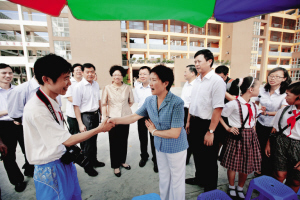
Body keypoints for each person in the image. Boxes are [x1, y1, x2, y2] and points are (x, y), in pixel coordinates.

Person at [22, 54, 114, 200]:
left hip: (63, 159)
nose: (69, 83)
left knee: (74, 195)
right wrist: (99, 128)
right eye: (65, 78)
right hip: (50, 167)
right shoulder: (37, 109)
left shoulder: (52, 98)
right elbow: (68, 140)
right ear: (46, 79)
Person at [108, 65, 188, 200]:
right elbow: (134, 117)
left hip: (176, 148)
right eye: (150, 79)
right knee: (163, 177)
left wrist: (154, 131)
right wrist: (114, 120)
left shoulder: (177, 102)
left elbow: (175, 133)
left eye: (154, 80)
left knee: (176, 180)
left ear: (165, 83)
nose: (150, 83)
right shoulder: (149, 100)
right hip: (160, 146)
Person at [185, 49, 226, 192]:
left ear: (209, 61)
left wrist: (211, 131)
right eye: (195, 61)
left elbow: (218, 108)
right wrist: (189, 121)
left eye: (199, 61)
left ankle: (210, 190)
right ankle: (199, 178)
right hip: (195, 122)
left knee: (209, 160)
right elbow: (192, 103)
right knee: (197, 154)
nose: (196, 64)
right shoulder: (197, 80)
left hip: (207, 125)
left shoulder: (217, 81)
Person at [219, 76, 261, 199]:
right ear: (251, 89)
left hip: (250, 137)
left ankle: (240, 187)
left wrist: (254, 134)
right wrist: (227, 127)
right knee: (233, 164)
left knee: (246, 164)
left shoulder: (253, 105)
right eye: (258, 87)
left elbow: (253, 121)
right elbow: (218, 113)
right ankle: (232, 186)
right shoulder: (233, 104)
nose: (260, 90)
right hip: (237, 136)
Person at [254, 67, 291, 177]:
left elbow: (282, 111)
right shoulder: (262, 90)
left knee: (269, 153)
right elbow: (255, 104)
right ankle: (260, 171)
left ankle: (267, 176)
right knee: (259, 149)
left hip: (273, 127)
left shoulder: (285, 94)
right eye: (271, 75)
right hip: (260, 123)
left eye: (277, 76)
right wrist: (257, 112)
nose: (272, 78)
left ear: (284, 79)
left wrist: (266, 113)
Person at [265, 81, 300, 193]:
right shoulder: (284, 110)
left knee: (295, 180)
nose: (285, 97)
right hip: (282, 143)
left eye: (288, 94)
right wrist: (268, 144)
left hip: (298, 147)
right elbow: (274, 129)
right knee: (279, 175)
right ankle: (275, 195)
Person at [101, 65, 134, 177]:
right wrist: (105, 117)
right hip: (112, 119)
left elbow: (131, 102)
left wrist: (124, 110)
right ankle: (115, 165)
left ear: (122, 76)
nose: (117, 76)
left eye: (119, 74)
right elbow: (104, 104)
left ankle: (122, 161)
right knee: (114, 142)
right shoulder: (107, 88)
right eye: (114, 74)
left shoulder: (128, 87)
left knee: (123, 140)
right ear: (112, 76)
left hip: (125, 118)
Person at [0, 63, 27, 192]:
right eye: (4, 73)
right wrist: (10, 111)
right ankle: (17, 180)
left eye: (10, 73)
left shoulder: (18, 90)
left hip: (21, 123)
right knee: (8, 156)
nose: (8, 75)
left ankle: (30, 168)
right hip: (4, 126)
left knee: (28, 148)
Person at [73, 63, 103, 177]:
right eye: (87, 72)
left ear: (94, 72)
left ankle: (94, 161)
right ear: (83, 73)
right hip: (86, 116)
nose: (90, 74)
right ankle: (88, 167)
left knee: (94, 141)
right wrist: (80, 123)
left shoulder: (96, 84)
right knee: (87, 144)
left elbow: (98, 100)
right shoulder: (78, 87)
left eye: (92, 72)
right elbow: (76, 106)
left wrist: (100, 114)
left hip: (95, 115)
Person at [135, 66, 158, 172]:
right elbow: (136, 102)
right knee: (142, 138)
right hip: (141, 115)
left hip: (153, 115)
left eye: (144, 73)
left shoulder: (154, 86)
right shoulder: (137, 87)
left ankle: (156, 160)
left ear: (150, 75)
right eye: (140, 74)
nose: (142, 76)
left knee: (154, 138)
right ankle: (144, 156)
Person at [180, 64, 197, 165]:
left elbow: (192, 104)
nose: (184, 73)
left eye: (186, 72)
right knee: (182, 135)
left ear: (193, 73)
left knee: (189, 136)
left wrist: (188, 121)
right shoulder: (186, 84)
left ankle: (186, 158)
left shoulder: (196, 85)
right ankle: (183, 156)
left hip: (190, 112)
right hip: (183, 110)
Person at [63, 64, 82, 136]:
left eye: (80, 70)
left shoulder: (84, 82)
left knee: (83, 135)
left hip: (82, 114)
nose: (79, 71)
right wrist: (83, 101)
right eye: (77, 70)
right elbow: (69, 98)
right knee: (74, 135)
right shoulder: (69, 82)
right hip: (72, 115)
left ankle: (83, 148)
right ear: (73, 72)